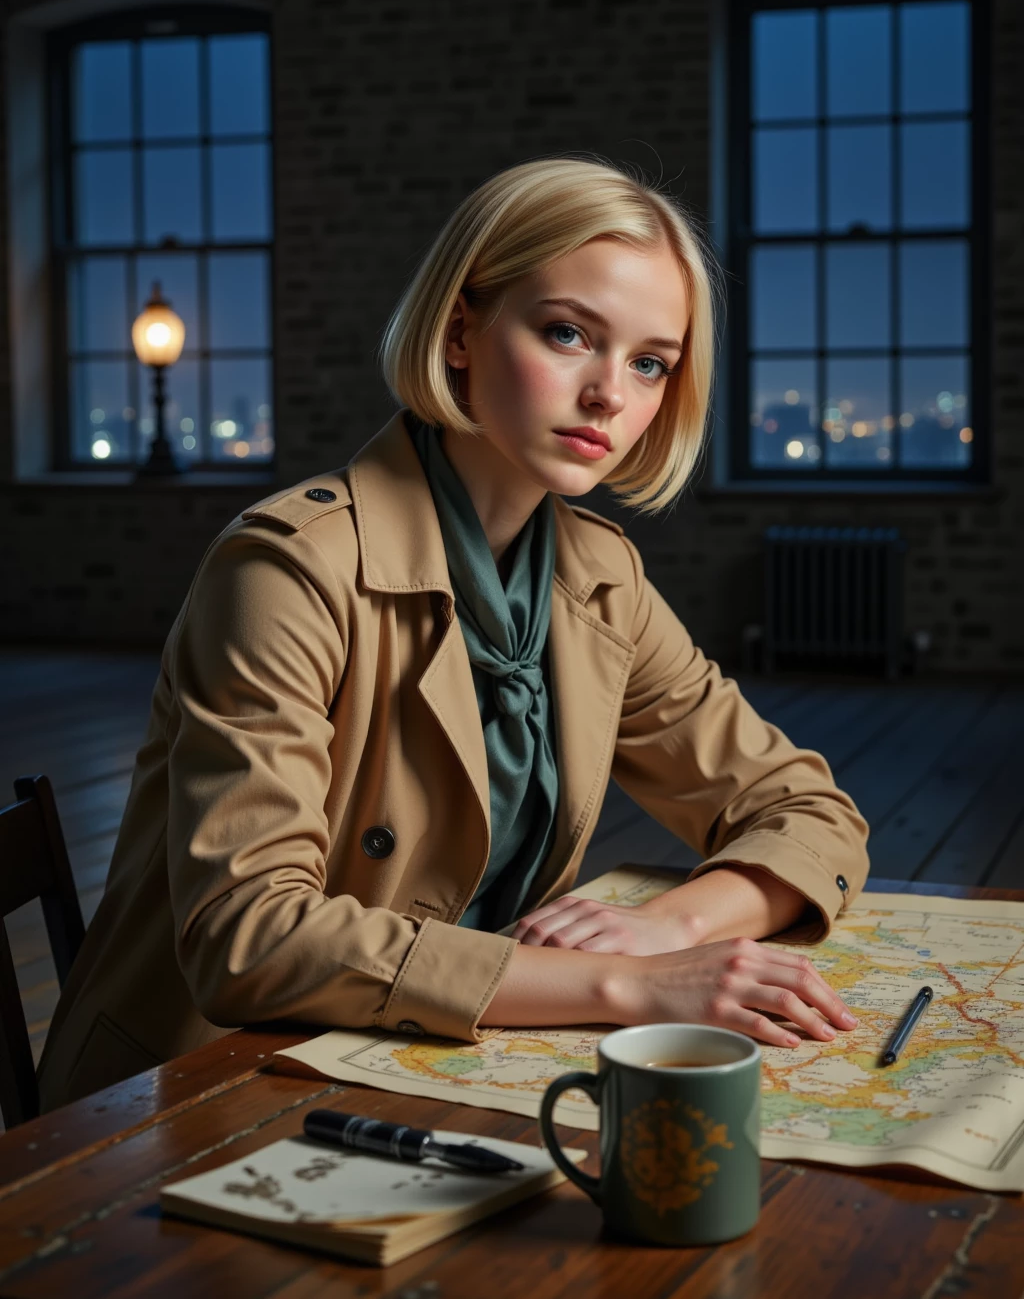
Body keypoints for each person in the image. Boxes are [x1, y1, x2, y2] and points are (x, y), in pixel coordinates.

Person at [37, 157, 868, 1112]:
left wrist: (669, 927)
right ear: (461, 329)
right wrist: (626, 985)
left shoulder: (598, 577)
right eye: (568, 334)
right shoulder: (285, 569)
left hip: (433, 1056)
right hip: (192, 1094)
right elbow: (250, 940)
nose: (610, 394)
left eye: (650, 363)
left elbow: (810, 810)